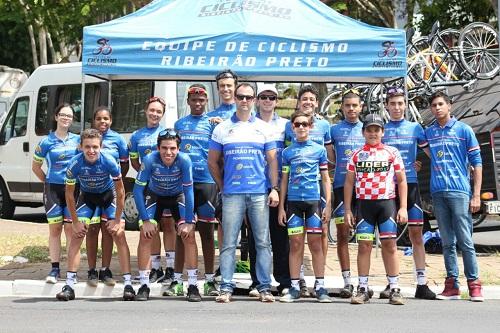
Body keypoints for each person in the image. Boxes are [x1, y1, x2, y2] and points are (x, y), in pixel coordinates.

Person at [208, 83, 279, 303]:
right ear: (235, 99)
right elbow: (212, 162)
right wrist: (222, 186)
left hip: (258, 193)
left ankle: (264, 287)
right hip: (232, 194)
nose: (245, 101)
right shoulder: (222, 128)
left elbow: (273, 161)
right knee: (228, 242)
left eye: (249, 97)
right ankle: (226, 287)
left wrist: (274, 188)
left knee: (263, 242)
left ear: (255, 99)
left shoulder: (264, 127)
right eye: (241, 97)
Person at [56, 128, 135, 301]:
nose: (91, 151)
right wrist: (75, 221)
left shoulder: (109, 161)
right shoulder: (75, 163)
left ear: (101, 147)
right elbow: (69, 195)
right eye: (87, 147)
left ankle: (128, 284)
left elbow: (121, 193)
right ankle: (69, 285)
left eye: (95, 147)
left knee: (119, 234)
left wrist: (117, 219)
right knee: (77, 236)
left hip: (109, 196)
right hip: (87, 197)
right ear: (81, 147)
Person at [425, 91, 483, 302]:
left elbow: (477, 163)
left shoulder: (464, 130)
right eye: (434, 105)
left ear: (450, 106)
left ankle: (475, 285)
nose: (437, 108)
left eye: (441, 104)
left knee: (466, 241)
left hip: (460, 192)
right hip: (438, 193)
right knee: (447, 242)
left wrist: (476, 195)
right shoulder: (429, 132)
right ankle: (452, 286)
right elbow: (426, 153)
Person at [345, 114, 407, 305]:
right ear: (363, 132)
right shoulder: (356, 154)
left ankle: (394, 288)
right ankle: (363, 288)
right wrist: (348, 209)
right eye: (369, 130)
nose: (373, 133)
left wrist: (403, 207)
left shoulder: (392, 152)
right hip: (364, 205)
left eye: (376, 130)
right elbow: (349, 183)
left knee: (390, 245)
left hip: (386, 204)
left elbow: (402, 180)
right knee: (364, 246)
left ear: (382, 132)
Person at [380, 86, 436, 300]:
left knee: (416, 235)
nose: (396, 107)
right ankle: (391, 282)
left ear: (405, 106)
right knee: (388, 238)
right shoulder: (381, 129)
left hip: (411, 185)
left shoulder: (415, 129)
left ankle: (421, 283)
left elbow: (432, 154)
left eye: (400, 103)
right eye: (392, 103)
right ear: (387, 106)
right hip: (386, 188)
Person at [133, 129, 199, 302]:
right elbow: (138, 190)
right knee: (146, 234)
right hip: (155, 195)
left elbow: (189, 190)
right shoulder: (149, 160)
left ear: (178, 148)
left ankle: (192, 285)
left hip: (178, 196)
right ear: (158, 147)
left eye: (172, 148)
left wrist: (189, 221)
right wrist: (145, 220)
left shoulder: (184, 160)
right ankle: (144, 285)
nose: (168, 153)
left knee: (189, 235)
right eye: (164, 148)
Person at [284, 85, 334, 297]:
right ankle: (295, 287)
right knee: (295, 244)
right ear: (292, 127)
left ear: (311, 126)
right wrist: (281, 208)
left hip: (314, 201)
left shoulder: (319, 150)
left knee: (315, 243)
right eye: (298, 124)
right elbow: (283, 179)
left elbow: (325, 178)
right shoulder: (287, 152)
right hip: (293, 202)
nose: (301, 127)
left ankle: (320, 286)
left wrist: (328, 205)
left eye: (305, 124)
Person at [170, 84, 219, 297]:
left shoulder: (212, 124)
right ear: (188, 102)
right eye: (194, 100)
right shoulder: (179, 124)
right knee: (182, 232)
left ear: (206, 102)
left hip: (206, 182)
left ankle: (209, 280)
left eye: (201, 100)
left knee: (207, 233)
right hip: (183, 184)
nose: (198, 104)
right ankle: (178, 280)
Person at [247, 84, 290, 298]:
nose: (267, 101)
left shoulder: (286, 125)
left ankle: (283, 280)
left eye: (271, 97)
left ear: (277, 101)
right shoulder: (248, 123)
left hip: (279, 186)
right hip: (254, 186)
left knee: (280, 235)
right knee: (256, 237)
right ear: (256, 100)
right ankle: (257, 281)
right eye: (263, 97)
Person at [129, 96, 176, 284]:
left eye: (159, 112)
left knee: (169, 225)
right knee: (151, 226)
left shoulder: (167, 133)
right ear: (146, 111)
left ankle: (171, 268)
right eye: (152, 110)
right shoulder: (136, 136)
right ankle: (156, 268)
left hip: (167, 184)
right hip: (148, 186)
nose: (155, 114)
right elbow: (134, 161)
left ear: (162, 114)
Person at [32, 103, 80, 283]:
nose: (66, 118)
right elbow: (36, 167)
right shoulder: (46, 141)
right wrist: (47, 181)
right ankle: (54, 269)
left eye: (69, 116)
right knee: (55, 229)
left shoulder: (77, 140)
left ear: (72, 119)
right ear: (56, 116)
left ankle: (71, 270)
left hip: (72, 189)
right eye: (63, 115)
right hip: (53, 189)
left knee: (70, 229)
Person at [85, 106, 129, 288]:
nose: (102, 122)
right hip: (89, 191)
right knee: (92, 229)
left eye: (106, 119)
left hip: (109, 191)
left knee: (109, 229)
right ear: (93, 121)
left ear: (111, 121)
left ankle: (105, 269)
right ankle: (91, 270)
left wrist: (116, 182)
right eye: (99, 119)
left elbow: (124, 166)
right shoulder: (87, 138)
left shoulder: (118, 139)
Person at [329, 89, 365, 298]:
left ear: (361, 107)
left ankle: (363, 281)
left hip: (366, 188)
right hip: (342, 187)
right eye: (347, 106)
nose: (351, 109)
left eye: (355, 105)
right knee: (343, 234)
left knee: (364, 236)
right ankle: (347, 281)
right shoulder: (334, 130)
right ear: (342, 108)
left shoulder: (368, 128)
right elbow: (328, 153)